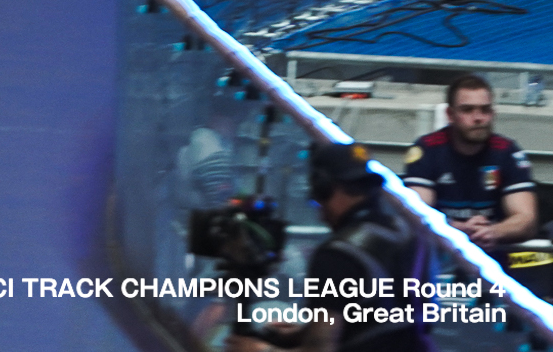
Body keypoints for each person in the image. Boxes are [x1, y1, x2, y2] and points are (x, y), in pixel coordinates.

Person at [231, 142, 433, 352]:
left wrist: (260, 350)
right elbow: (381, 321)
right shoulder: (410, 233)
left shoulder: (337, 254)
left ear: (324, 187)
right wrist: (301, 334)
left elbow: (319, 349)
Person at [403, 74, 538, 257]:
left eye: (485, 110)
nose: (478, 118)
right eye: (467, 110)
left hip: (492, 257)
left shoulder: (508, 152)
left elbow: (527, 220)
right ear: (450, 115)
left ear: (493, 113)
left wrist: (493, 232)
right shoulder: (427, 150)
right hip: (439, 254)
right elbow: (415, 215)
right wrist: (457, 229)